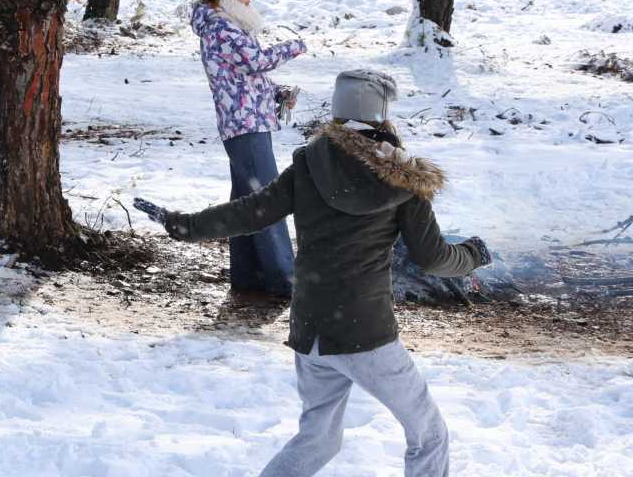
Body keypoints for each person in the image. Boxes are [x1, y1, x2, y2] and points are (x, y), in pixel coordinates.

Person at [135, 69, 493, 477]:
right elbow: (433, 258)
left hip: (312, 332)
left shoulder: (308, 166)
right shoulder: (403, 182)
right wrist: (472, 255)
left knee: (319, 439)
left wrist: (186, 225)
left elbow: (251, 212)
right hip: (365, 334)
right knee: (429, 435)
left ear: (338, 114)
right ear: (382, 115)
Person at [192, 0, 306, 297]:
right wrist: (293, 46)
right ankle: (285, 280)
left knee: (246, 200)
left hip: (248, 120)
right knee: (266, 199)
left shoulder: (228, 25)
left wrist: (278, 93)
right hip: (244, 123)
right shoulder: (220, 27)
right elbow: (255, 61)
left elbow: (245, 74)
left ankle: (248, 276)